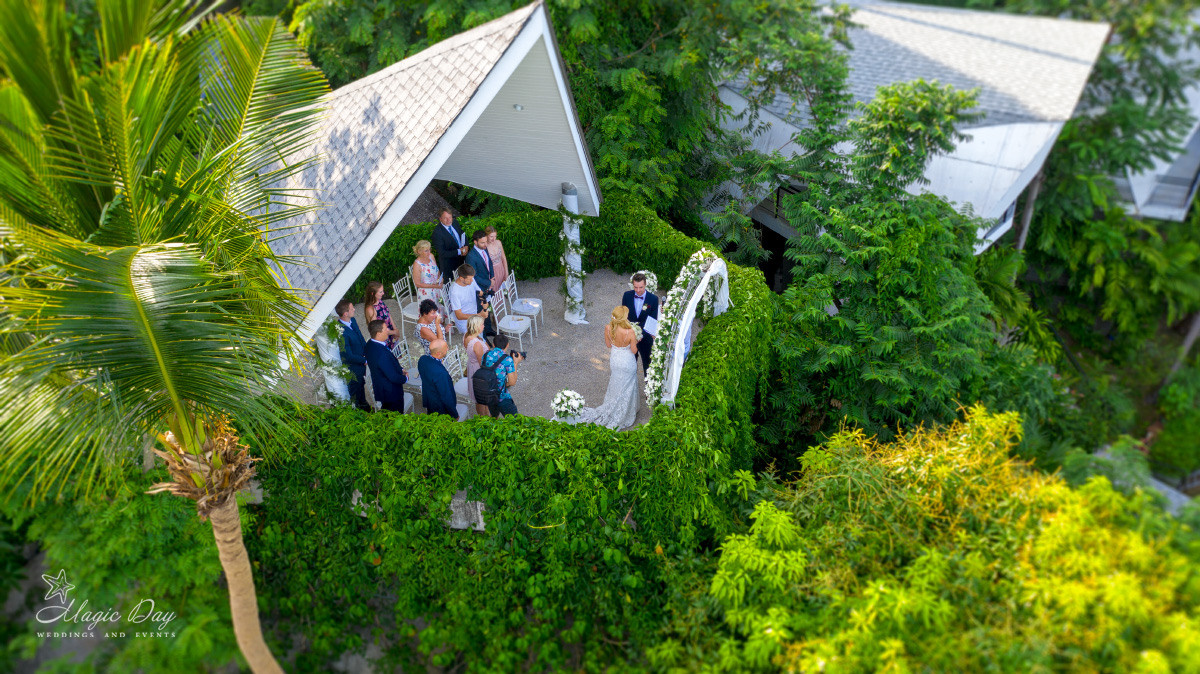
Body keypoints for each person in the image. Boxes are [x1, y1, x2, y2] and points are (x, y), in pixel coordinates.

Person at [570, 306, 641, 430]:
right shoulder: (630, 332)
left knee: (616, 382)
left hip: (615, 359)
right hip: (627, 361)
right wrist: (636, 341)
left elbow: (608, 345)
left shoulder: (608, 328)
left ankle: (613, 405)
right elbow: (634, 351)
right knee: (628, 385)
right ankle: (627, 411)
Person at [621, 272, 660, 376]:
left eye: (641, 287)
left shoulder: (653, 299)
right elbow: (623, 316)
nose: (638, 290)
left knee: (647, 364)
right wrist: (631, 333)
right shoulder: (626, 296)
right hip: (629, 337)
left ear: (645, 284)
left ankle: (649, 388)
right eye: (635, 287)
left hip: (645, 338)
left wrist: (639, 334)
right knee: (629, 364)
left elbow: (652, 319)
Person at [364, 320, 407, 412]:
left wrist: (400, 369)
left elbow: (386, 366)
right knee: (395, 416)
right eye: (385, 329)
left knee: (386, 412)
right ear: (379, 334)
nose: (388, 330)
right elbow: (394, 377)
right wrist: (405, 378)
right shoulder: (382, 354)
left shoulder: (369, 344)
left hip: (381, 387)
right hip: (391, 393)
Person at [335, 299, 369, 410]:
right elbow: (347, 355)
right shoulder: (341, 332)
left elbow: (360, 337)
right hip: (353, 367)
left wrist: (367, 352)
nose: (354, 309)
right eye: (352, 308)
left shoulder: (353, 320)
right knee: (355, 389)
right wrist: (363, 360)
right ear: (345, 314)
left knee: (362, 385)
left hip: (361, 358)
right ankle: (358, 410)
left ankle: (364, 404)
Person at [481, 334, 523, 417]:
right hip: (501, 397)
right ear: (507, 345)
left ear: (493, 344)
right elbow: (512, 382)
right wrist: (515, 363)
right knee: (515, 421)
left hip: (488, 394)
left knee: (494, 417)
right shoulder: (507, 360)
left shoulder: (486, 355)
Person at [418, 339, 458, 419]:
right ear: (438, 353)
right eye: (446, 348)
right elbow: (446, 396)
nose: (448, 349)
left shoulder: (422, 359)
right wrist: (454, 414)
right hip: (440, 407)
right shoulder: (441, 373)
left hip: (430, 400)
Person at [462, 315, 490, 417]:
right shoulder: (476, 343)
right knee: (482, 398)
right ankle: (484, 417)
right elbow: (483, 362)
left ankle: (483, 415)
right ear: (477, 326)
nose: (484, 326)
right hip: (478, 370)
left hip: (472, 367)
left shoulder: (466, 335)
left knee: (478, 398)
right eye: (482, 324)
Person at [448, 264, 488, 335]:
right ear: (461, 278)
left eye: (472, 278)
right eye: (469, 279)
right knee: (478, 339)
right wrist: (479, 315)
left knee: (481, 337)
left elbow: (480, 293)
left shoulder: (471, 280)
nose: (472, 281)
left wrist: (484, 300)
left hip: (474, 314)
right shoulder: (455, 292)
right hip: (464, 322)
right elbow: (459, 316)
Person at [431, 208, 467, 283]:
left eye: (450, 217)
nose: (449, 220)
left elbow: (462, 233)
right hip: (449, 267)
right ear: (440, 219)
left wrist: (466, 245)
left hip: (462, 262)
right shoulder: (437, 233)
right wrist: (459, 251)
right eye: (445, 218)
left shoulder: (455, 222)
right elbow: (442, 253)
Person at [363, 281, 398, 351]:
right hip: (383, 337)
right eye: (380, 292)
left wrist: (395, 329)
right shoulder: (371, 309)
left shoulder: (380, 301)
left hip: (390, 332)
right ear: (373, 294)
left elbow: (388, 315)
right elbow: (378, 330)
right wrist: (394, 332)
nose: (383, 293)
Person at [410, 240, 443, 306]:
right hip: (426, 293)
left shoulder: (431, 256)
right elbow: (418, 284)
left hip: (437, 288)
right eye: (426, 251)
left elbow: (436, 270)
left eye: (429, 249)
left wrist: (440, 279)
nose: (429, 252)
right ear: (419, 252)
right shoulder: (417, 264)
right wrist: (435, 286)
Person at [464, 229, 494, 294]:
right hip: (480, 288)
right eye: (482, 242)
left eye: (486, 241)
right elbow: (474, 276)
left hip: (489, 283)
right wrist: (489, 283)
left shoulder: (484, 248)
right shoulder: (471, 257)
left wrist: (492, 277)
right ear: (475, 242)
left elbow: (490, 263)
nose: (485, 244)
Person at [484, 225, 510, 293]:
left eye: (495, 236)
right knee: (495, 293)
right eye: (491, 236)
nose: (493, 239)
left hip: (501, 269)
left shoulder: (498, 243)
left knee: (503, 290)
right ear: (486, 236)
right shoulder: (484, 246)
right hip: (492, 272)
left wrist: (506, 272)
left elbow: (503, 258)